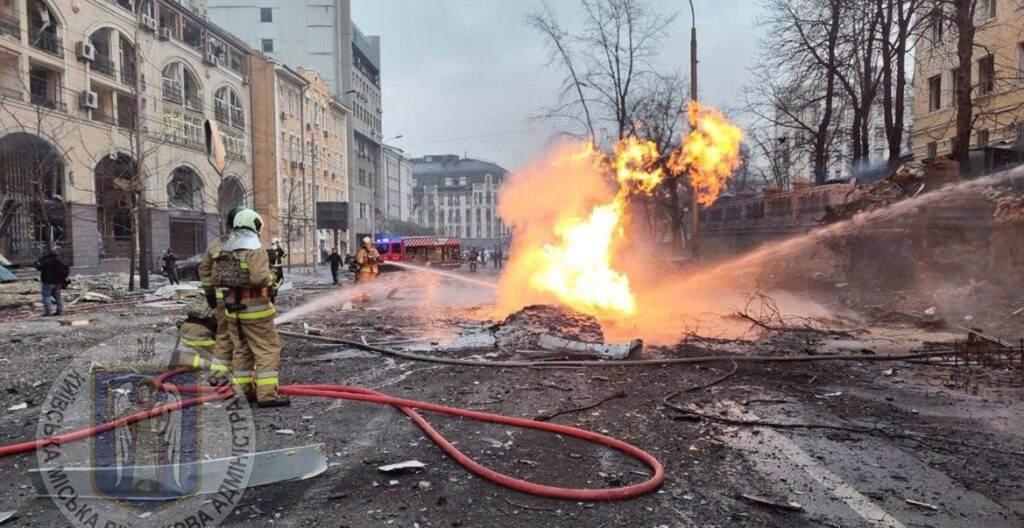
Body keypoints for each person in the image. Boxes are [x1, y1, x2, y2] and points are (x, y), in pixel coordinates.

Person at [213, 208, 289, 408]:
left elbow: (216, 278)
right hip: (256, 310)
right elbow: (259, 279)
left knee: (242, 351)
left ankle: (243, 392)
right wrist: (274, 273)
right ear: (254, 226)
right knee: (267, 350)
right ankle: (267, 396)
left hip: (233, 310)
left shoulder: (226, 250)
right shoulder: (256, 251)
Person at [199, 207, 242, 391]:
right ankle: (243, 383)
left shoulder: (216, 244)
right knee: (242, 340)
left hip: (221, 299)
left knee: (223, 336)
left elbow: (204, 270)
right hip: (242, 300)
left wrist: (210, 294)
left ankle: (217, 376)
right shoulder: (247, 243)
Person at [169, 302, 217, 371]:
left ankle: (184, 356)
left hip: (187, 327)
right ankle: (181, 358)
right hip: (199, 331)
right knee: (219, 364)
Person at [35, 247, 69, 317]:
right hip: (58, 282)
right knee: (58, 296)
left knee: (46, 296)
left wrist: (37, 263)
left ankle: (48, 311)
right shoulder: (60, 260)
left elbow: (39, 268)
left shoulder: (45, 260)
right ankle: (60, 310)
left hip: (48, 282)